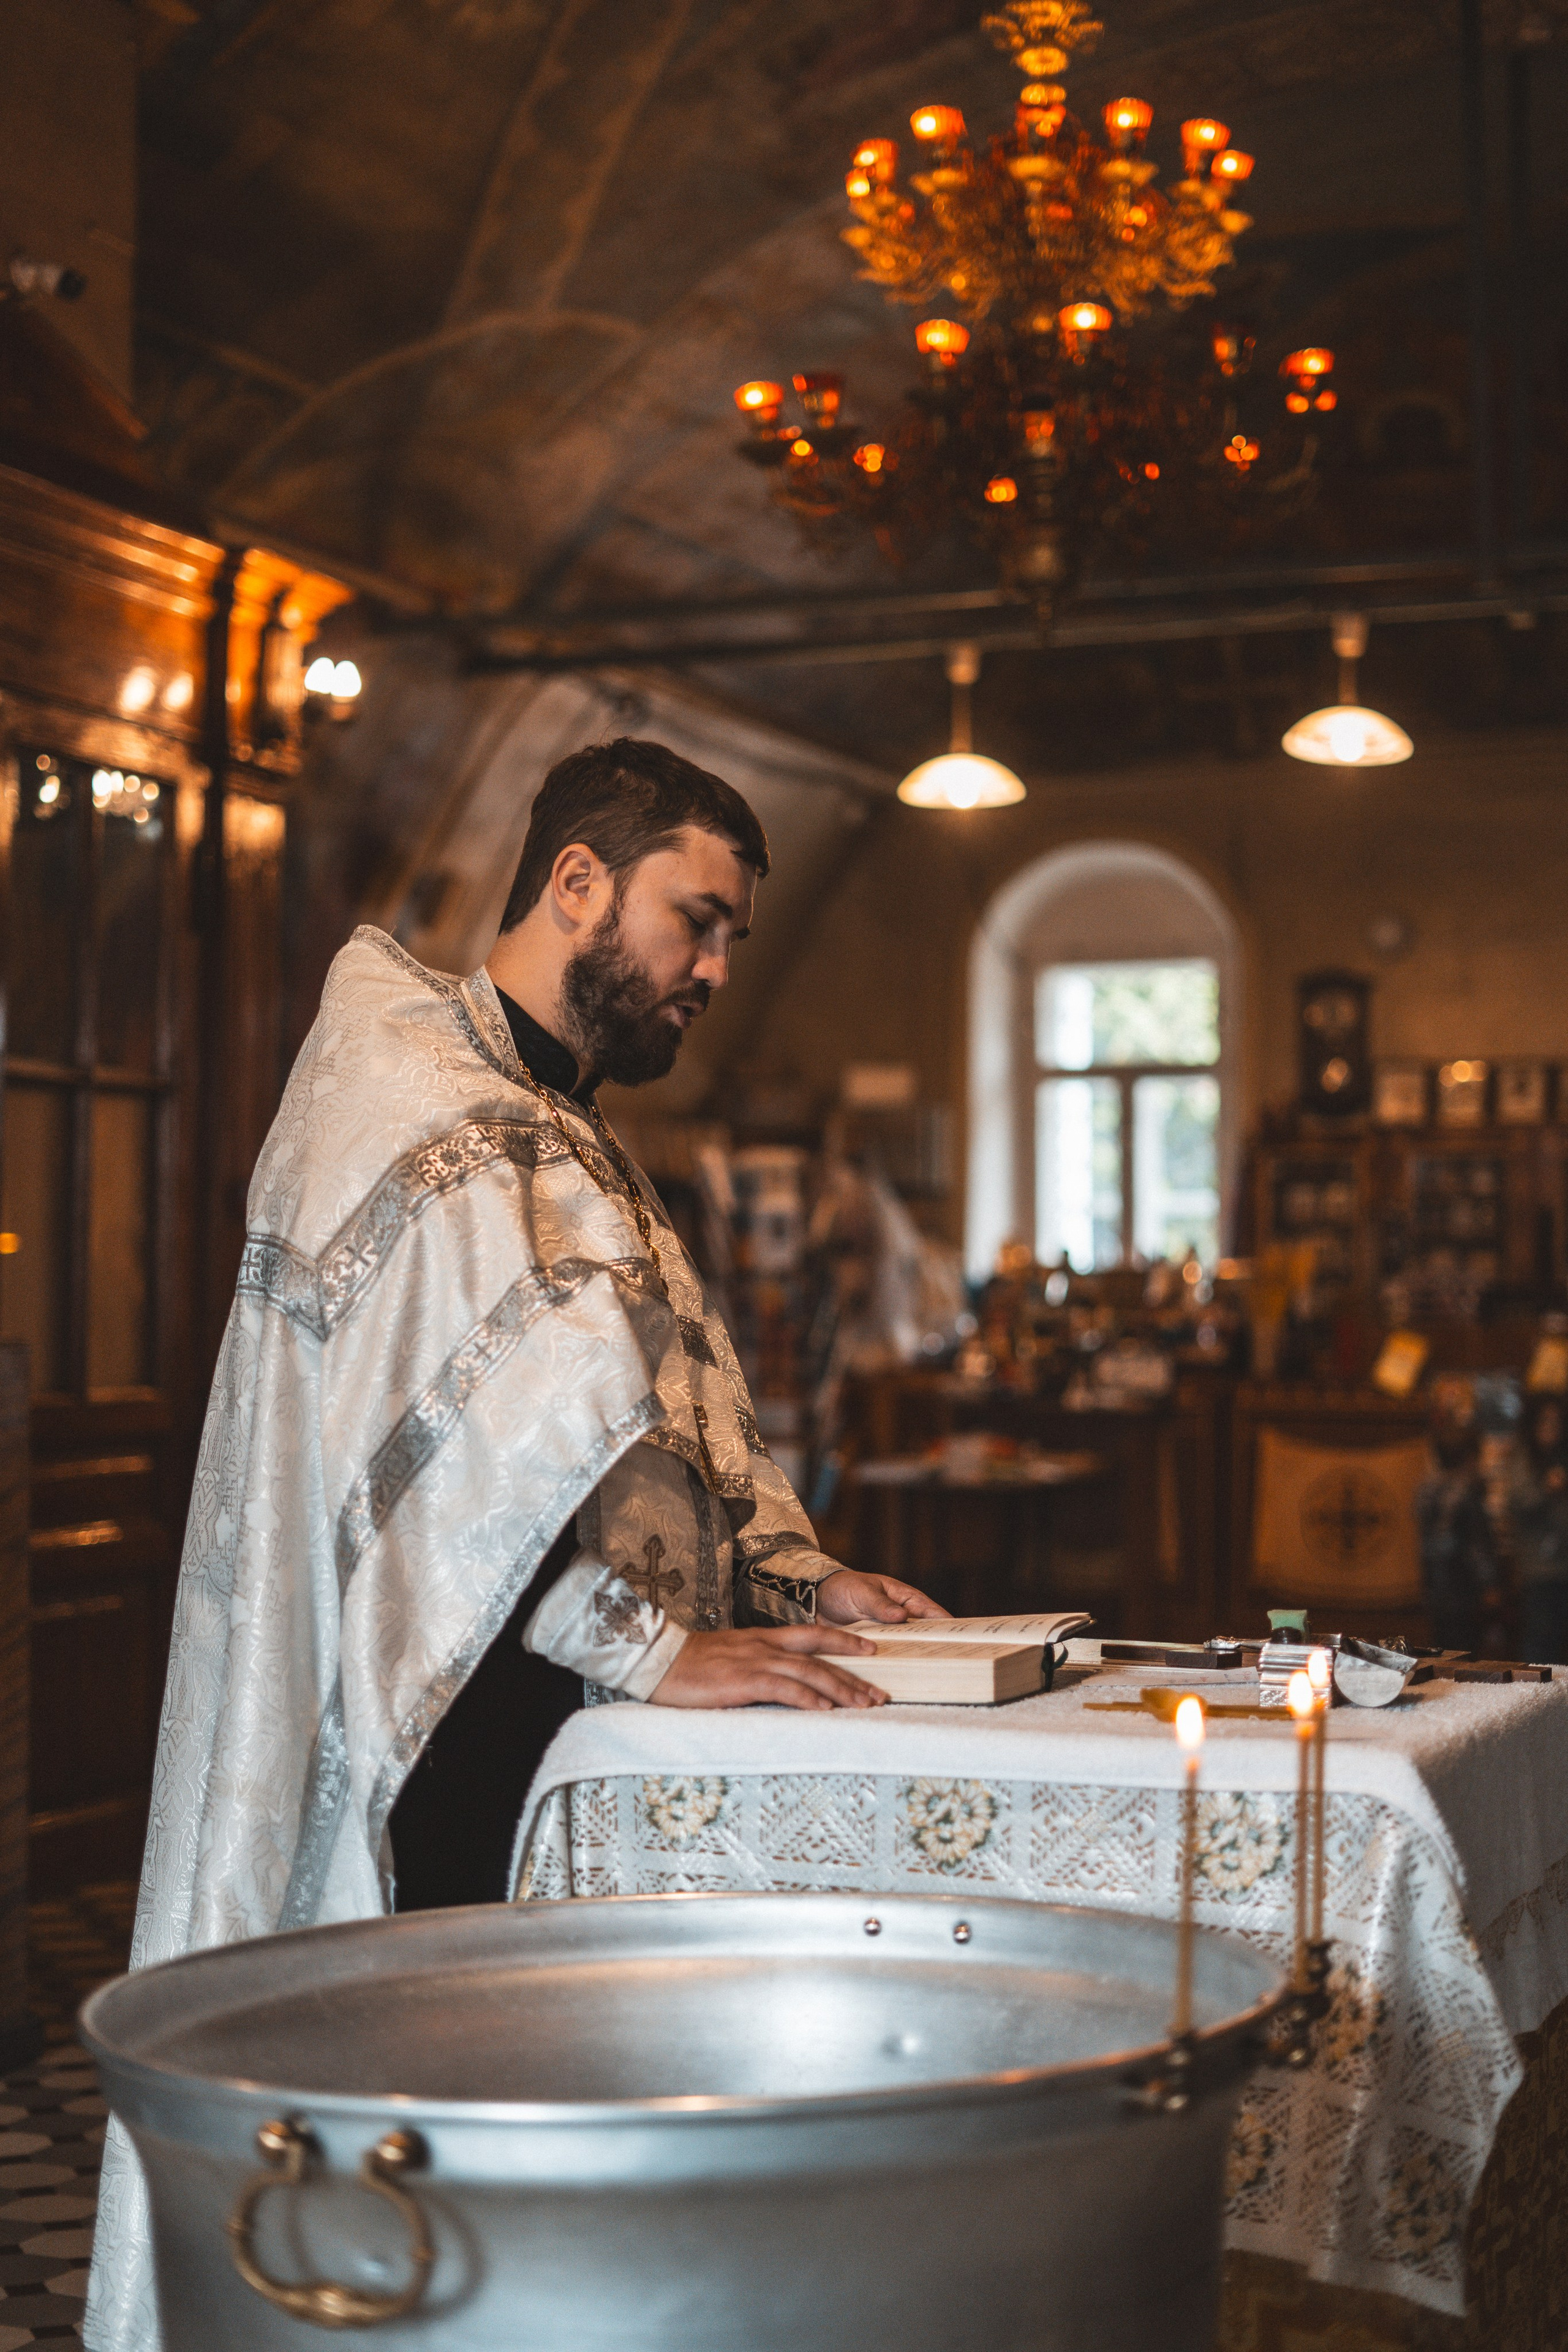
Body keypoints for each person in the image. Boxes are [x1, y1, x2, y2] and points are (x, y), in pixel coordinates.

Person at [86, 739, 944, 2352]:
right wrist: (654, 1652)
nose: (714, 969)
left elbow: (672, 1408)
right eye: (697, 921)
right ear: (576, 882)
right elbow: (438, 1485)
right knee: (445, 2181)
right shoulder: (407, 1101)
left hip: (587, 1729)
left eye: (733, 938)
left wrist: (798, 1571)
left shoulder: (571, 1129)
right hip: (446, 1735)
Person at [1507, 1396, 1568, 1665]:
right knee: (1541, 1639)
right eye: (1545, 1422)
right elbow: (1518, 1502)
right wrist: (1546, 1488)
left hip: (1564, 1564)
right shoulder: (1524, 1457)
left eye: (1556, 1422)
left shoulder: (1562, 1455)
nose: (1551, 1428)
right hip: (1539, 1568)